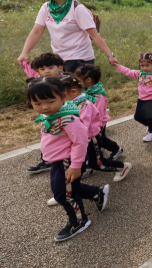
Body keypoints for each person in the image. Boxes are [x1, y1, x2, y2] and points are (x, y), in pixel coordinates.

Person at [28, 77, 110, 242]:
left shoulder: (68, 119)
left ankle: (79, 220)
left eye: (50, 101)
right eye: (37, 104)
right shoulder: (51, 114)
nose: (44, 107)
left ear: (64, 97)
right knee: (69, 189)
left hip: (67, 162)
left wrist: (75, 165)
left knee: (64, 195)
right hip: (56, 161)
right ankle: (97, 193)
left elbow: (80, 142)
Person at [17, 0, 119, 73]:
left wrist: (110, 55)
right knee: (60, 89)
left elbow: (94, 35)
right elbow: (36, 32)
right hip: (58, 60)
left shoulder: (77, 9)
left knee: (74, 89)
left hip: (80, 59)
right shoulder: (46, 8)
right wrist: (24, 53)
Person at [58, 75, 131, 187]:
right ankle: (85, 168)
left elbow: (83, 126)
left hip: (90, 138)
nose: (59, 99)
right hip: (81, 139)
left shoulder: (84, 105)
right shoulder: (71, 102)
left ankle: (122, 166)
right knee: (83, 157)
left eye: (60, 95)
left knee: (97, 163)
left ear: (72, 92)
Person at [23, 53, 66, 174]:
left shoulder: (66, 81)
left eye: (50, 68)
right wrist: (23, 60)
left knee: (70, 140)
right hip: (49, 118)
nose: (46, 71)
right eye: (42, 69)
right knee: (49, 137)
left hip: (65, 117)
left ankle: (81, 163)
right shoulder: (42, 82)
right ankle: (47, 161)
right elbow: (29, 71)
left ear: (60, 68)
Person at [112, 53, 152, 142]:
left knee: (150, 117)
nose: (144, 68)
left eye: (147, 65)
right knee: (137, 117)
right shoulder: (139, 74)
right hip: (142, 99)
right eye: (142, 65)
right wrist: (117, 65)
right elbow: (127, 71)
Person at [75, 64, 122, 160]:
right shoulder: (86, 90)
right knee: (101, 140)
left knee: (100, 140)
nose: (77, 82)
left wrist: (93, 126)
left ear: (88, 80)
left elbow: (98, 114)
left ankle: (116, 149)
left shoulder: (98, 96)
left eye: (79, 79)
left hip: (97, 123)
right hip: (90, 123)